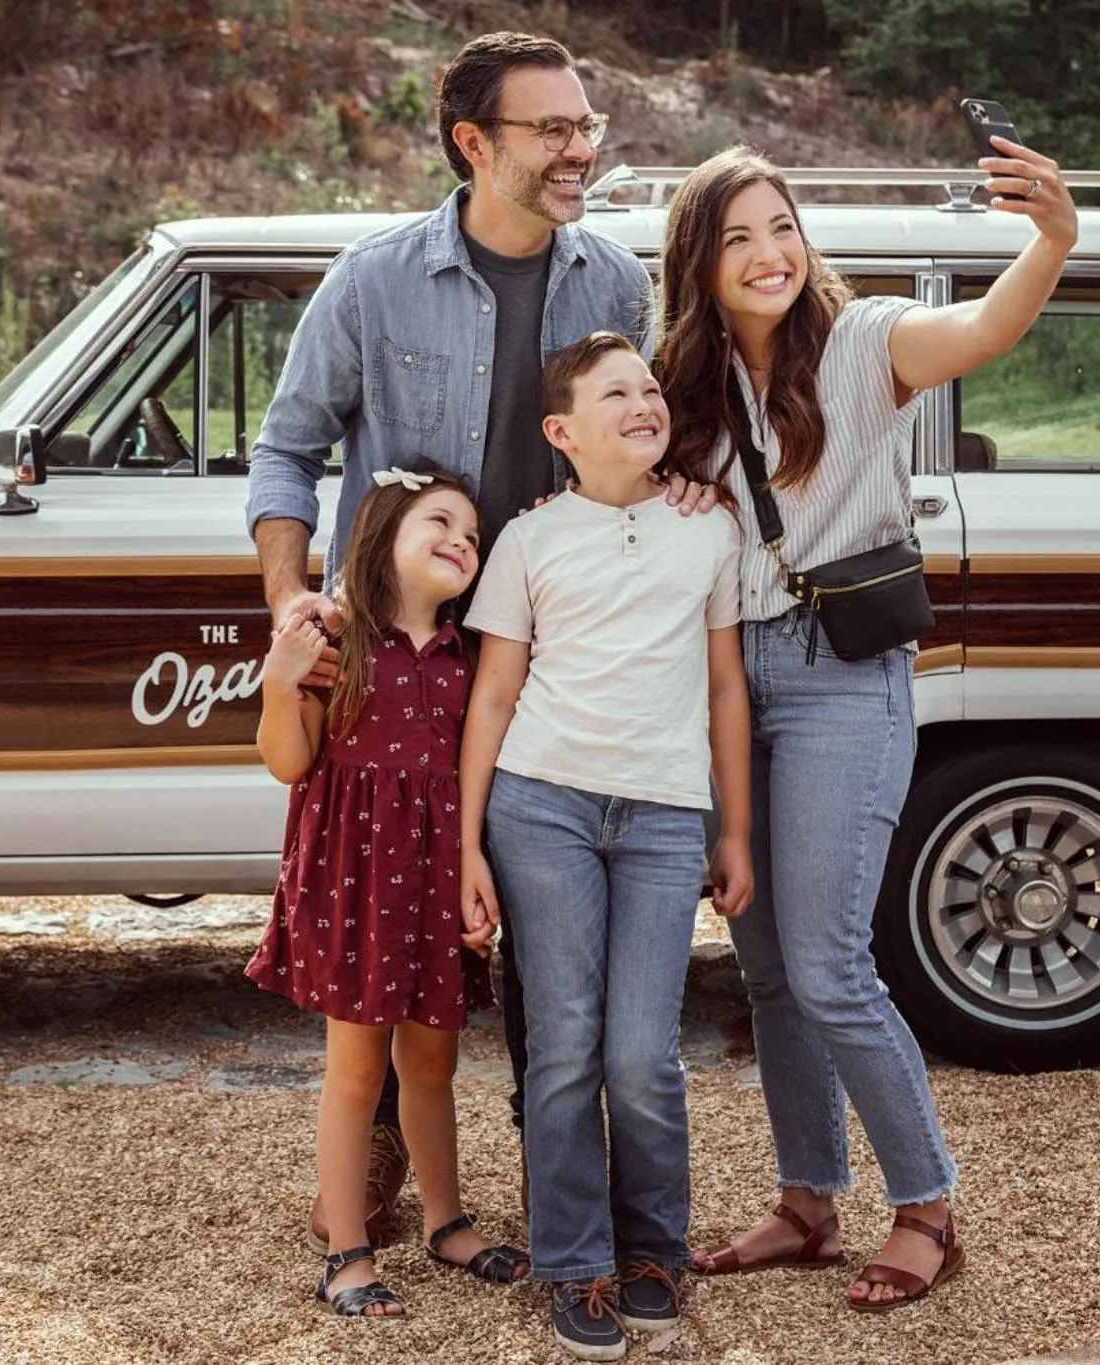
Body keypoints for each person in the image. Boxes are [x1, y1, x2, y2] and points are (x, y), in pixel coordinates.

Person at [244, 30, 673, 1250]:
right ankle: (371, 1170)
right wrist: (292, 601)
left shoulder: (616, 286)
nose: (578, 148)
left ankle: (566, 1220)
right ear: (474, 144)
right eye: (551, 129)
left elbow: (640, 441)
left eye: (585, 125)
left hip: (552, 671)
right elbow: (287, 448)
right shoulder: (373, 280)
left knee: (549, 950)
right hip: (398, 664)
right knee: (391, 924)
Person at [654, 143, 1078, 1309]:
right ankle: (804, 1201)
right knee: (770, 969)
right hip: (728, 680)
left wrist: (1050, 239)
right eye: (736, 236)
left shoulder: (860, 343)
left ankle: (926, 1207)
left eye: (780, 227)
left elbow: (983, 333)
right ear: (697, 260)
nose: (767, 253)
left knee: (833, 966)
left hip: (844, 672)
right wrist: (665, 481)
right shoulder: (677, 389)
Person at [459, 333, 754, 1361]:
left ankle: (651, 1248)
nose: (642, 403)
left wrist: (735, 830)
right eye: (614, 393)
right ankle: (573, 1260)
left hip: (663, 817)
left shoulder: (708, 527)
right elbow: (493, 694)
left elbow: (724, 688)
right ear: (561, 432)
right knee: (563, 1044)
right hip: (540, 807)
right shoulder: (528, 541)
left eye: (649, 390)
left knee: (641, 1055)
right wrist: (465, 848)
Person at [246, 464, 530, 1318]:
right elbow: (289, 761)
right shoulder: (337, 641)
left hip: (436, 880)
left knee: (434, 1059)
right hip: (354, 884)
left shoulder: (468, 653)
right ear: (382, 536)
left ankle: (445, 1220)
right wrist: (278, 679)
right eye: (441, 522)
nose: (462, 541)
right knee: (357, 1070)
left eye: (473, 535)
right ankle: (346, 1248)